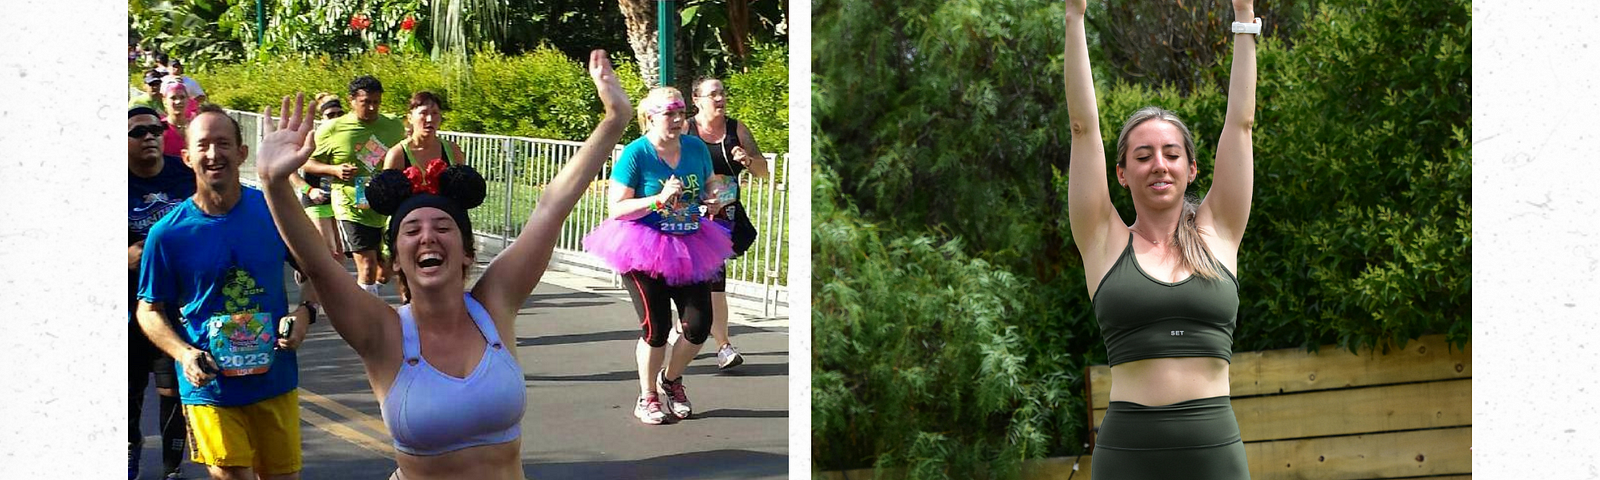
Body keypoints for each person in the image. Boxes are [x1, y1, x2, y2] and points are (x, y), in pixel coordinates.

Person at [252, 49, 630, 480]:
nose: (428, 236)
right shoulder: (382, 331)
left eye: (442, 227)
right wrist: (273, 182)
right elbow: (320, 265)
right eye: (411, 230)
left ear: (467, 252)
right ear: (396, 260)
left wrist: (614, 120)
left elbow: (551, 208)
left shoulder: (495, 305)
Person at [1063, 0, 1259, 478]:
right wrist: (1074, 17)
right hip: (1129, 455)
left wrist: (1243, 17)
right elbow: (1083, 129)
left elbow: (1241, 124)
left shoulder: (1220, 232)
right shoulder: (1103, 240)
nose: (1159, 164)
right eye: (1143, 155)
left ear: (1192, 168)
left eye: (1171, 154)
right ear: (1122, 173)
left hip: (1214, 453)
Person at [136, 104, 314, 480]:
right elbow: (148, 309)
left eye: (223, 143)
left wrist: (305, 313)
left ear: (242, 152)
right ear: (186, 157)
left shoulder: (272, 211)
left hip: (274, 379)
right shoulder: (167, 233)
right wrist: (184, 354)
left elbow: (314, 270)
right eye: (203, 146)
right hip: (210, 386)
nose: (213, 154)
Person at [583, 87, 734, 425]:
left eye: (681, 111)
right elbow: (617, 209)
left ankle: (671, 379)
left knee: (698, 326)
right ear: (650, 116)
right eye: (670, 113)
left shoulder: (695, 147)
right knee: (657, 328)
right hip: (642, 247)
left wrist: (713, 199)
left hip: (691, 244)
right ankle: (647, 395)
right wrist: (658, 200)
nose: (678, 119)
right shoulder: (637, 154)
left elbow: (711, 184)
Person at [129, 107, 197, 480]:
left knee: (172, 389)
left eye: (156, 130)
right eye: (139, 132)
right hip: (126, 306)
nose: (150, 137)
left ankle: (172, 469)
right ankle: (129, 452)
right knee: (129, 388)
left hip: (174, 305)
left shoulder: (184, 176)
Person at [685, 77, 770, 370]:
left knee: (715, 280)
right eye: (713, 94)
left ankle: (722, 346)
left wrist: (747, 160)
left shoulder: (737, 129)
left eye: (722, 93)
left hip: (723, 218)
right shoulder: (686, 130)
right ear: (696, 99)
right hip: (688, 217)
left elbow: (764, 172)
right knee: (695, 281)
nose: (720, 98)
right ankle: (686, 330)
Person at [304, 76, 405, 298]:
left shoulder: (393, 126)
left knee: (384, 272)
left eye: (376, 102)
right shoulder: (332, 129)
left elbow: (407, 152)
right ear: (351, 100)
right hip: (350, 203)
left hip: (384, 205)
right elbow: (306, 162)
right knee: (367, 268)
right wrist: (335, 170)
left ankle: (367, 297)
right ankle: (367, 321)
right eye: (366, 102)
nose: (371, 108)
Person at [160, 78, 193, 158]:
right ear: (165, 101)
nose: (178, 102)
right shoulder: (159, 128)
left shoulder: (196, 127)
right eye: (173, 98)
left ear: (188, 100)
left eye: (182, 97)